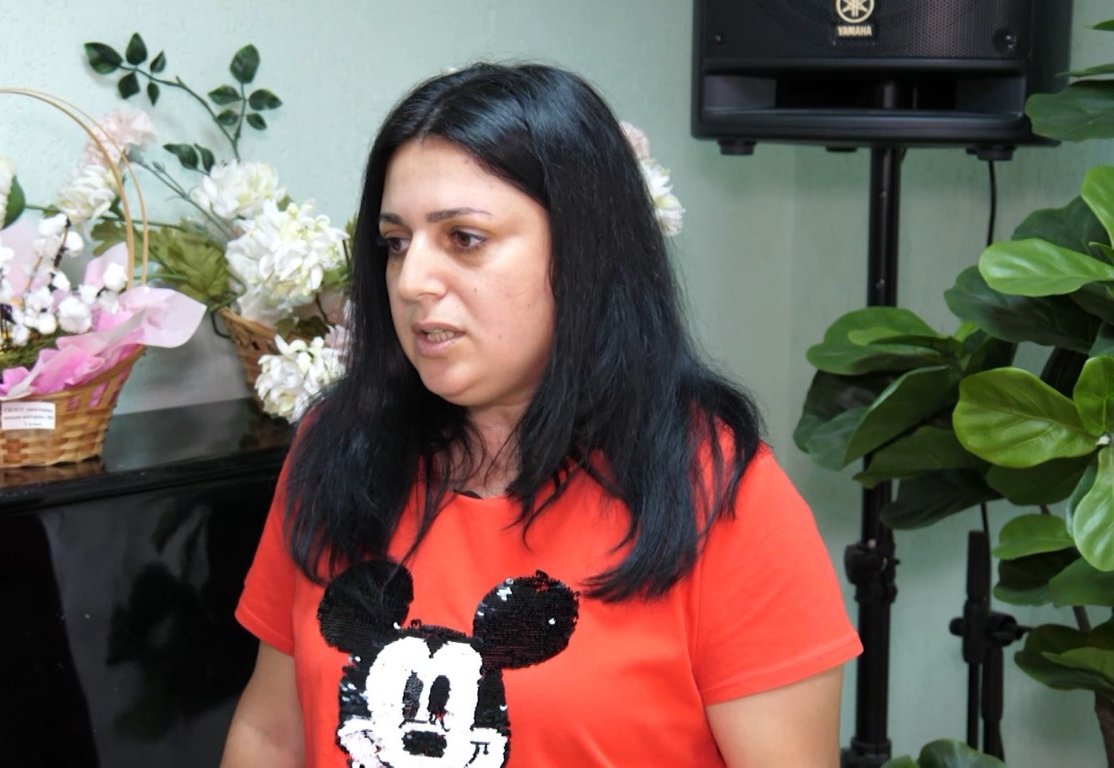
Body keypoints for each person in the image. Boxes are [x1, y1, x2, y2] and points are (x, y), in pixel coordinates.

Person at [221, 62, 861, 767]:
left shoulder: (722, 496)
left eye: (464, 238)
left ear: (584, 254)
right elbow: (270, 734)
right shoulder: (338, 449)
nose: (411, 281)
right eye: (396, 243)